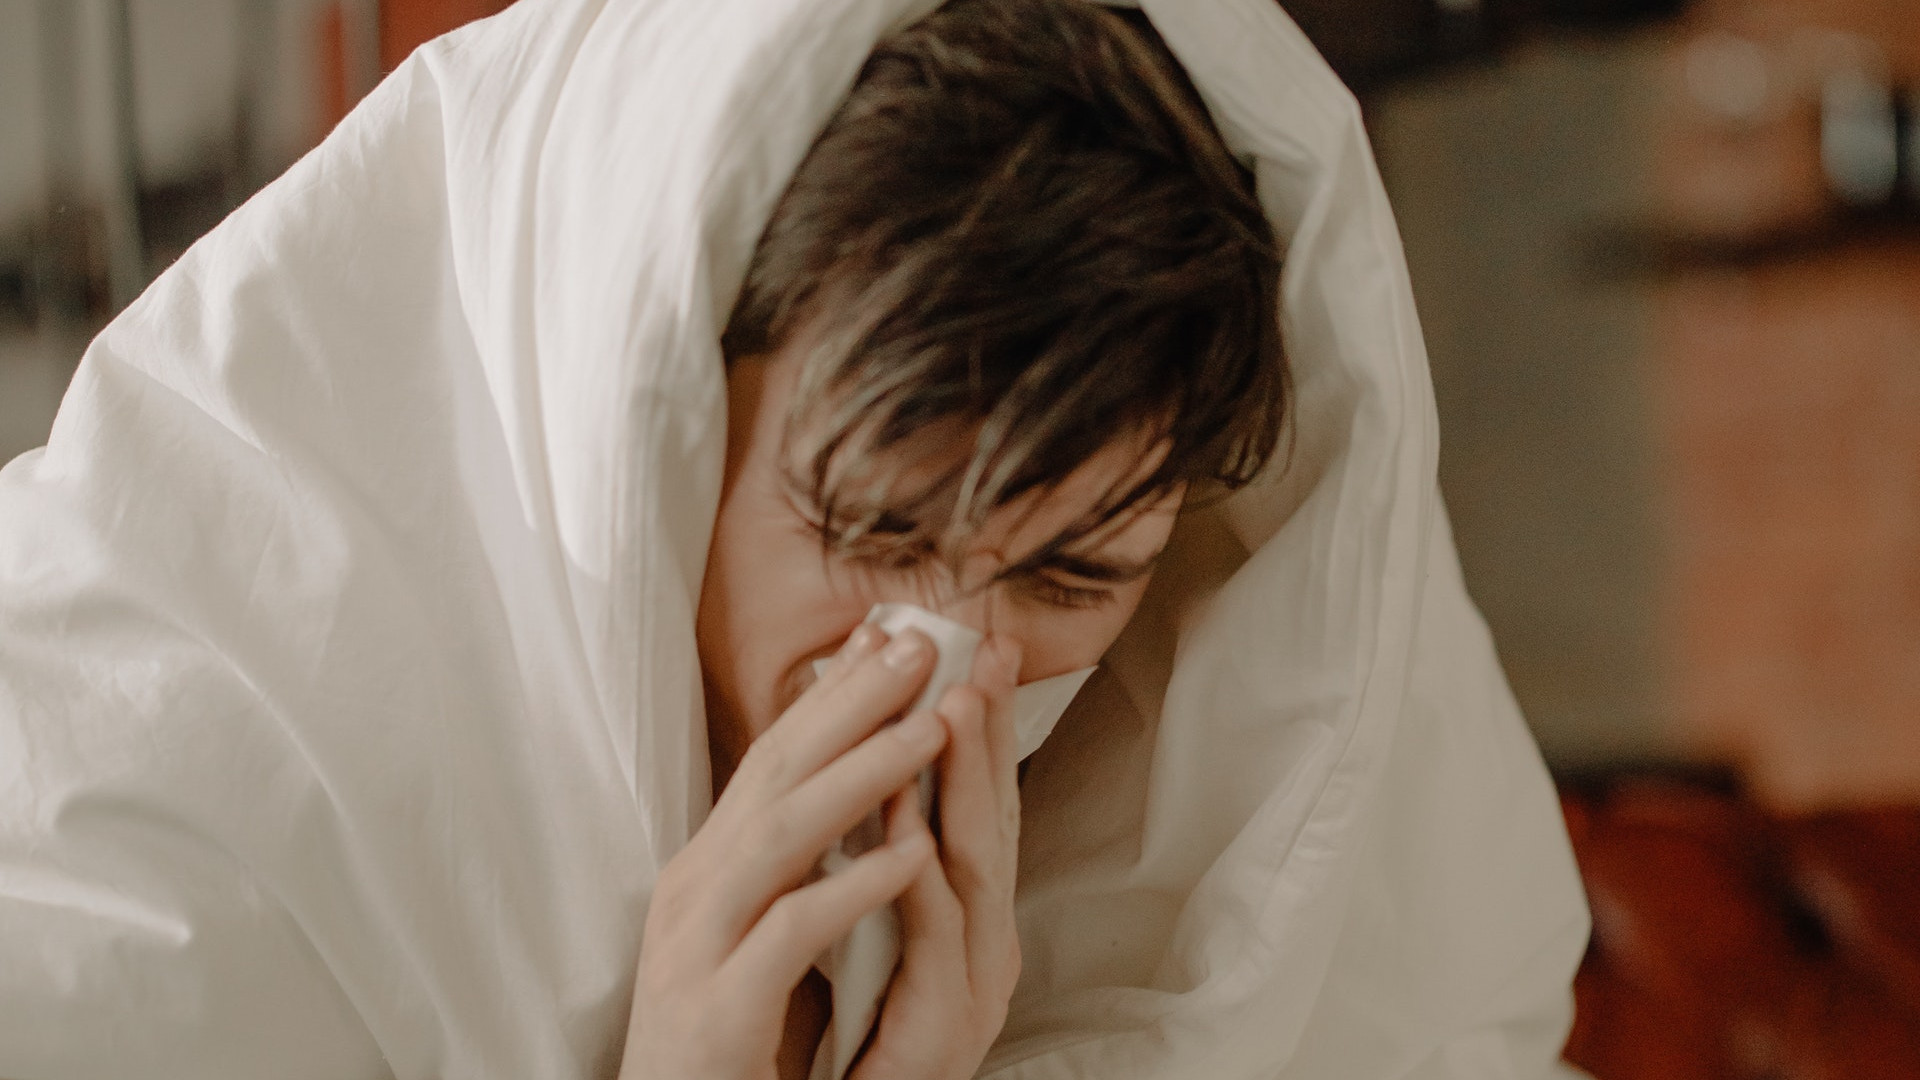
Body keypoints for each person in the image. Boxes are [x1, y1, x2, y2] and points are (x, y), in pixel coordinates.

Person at [0, 0, 1590, 1078]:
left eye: (1072, 576)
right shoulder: (127, 777)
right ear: (656, 410)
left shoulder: (1206, 735)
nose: (949, 658)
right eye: (873, 527)